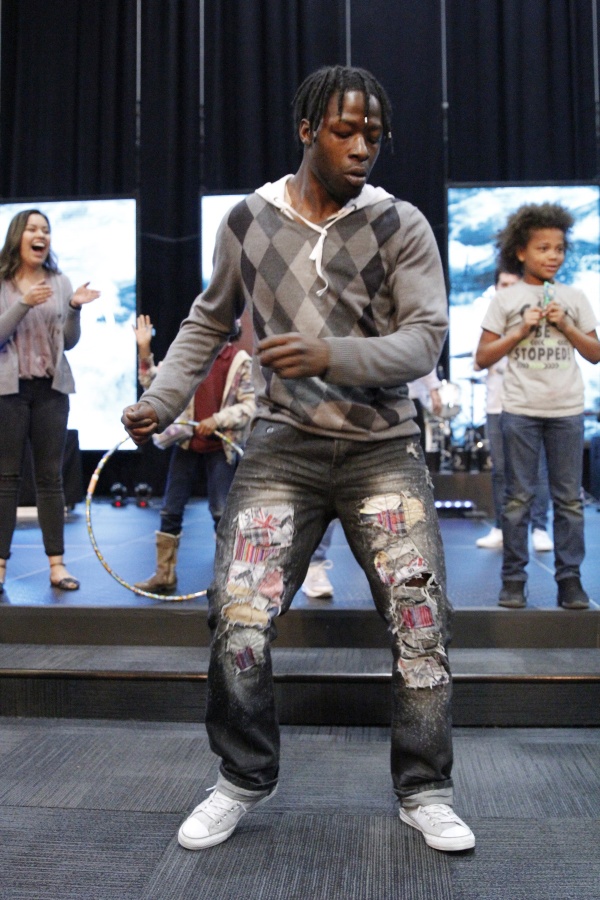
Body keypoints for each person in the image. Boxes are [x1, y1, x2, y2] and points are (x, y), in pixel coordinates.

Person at [122, 65, 475, 853]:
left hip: (383, 447)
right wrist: (163, 399)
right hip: (282, 447)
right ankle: (242, 776)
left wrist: (329, 354)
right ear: (307, 129)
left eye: (374, 135)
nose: (362, 148)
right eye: (345, 132)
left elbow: (425, 339)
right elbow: (208, 320)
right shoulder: (248, 220)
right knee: (238, 618)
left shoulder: (401, 224)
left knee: (419, 621)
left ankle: (425, 788)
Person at [475, 203, 600, 609]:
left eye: (559, 248)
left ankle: (570, 581)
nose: (553, 256)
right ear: (520, 252)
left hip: (566, 410)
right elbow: (482, 357)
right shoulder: (506, 299)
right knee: (517, 499)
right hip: (520, 410)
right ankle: (513, 580)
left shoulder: (575, 297)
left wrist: (566, 325)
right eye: (543, 248)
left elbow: (595, 353)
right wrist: (520, 330)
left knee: (569, 500)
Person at [0, 209, 99, 594]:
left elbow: (69, 342)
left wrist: (74, 309)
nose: (41, 235)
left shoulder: (60, 282)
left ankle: (57, 565)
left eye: (46, 230)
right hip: (9, 393)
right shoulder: (3, 282)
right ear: (18, 236)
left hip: (52, 391)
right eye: (33, 229)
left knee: (50, 478)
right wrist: (23, 302)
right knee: (6, 479)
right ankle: (0, 565)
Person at [133, 314, 255, 594]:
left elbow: (250, 406)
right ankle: (164, 575)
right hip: (187, 443)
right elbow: (153, 385)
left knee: (222, 512)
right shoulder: (187, 357)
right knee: (170, 508)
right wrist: (144, 349)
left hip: (220, 447)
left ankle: (229, 577)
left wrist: (218, 419)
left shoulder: (239, 361)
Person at [302, 368, 442, 602]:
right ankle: (315, 564)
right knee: (328, 487)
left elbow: (418, 349)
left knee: (397, 504)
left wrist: (433, 387)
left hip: (396, 406)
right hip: (334, 402)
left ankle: (394, 574)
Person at [474, 269, 554, 552]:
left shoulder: (537, 318)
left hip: (531, 403)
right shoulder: (489, 320)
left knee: (538, 469)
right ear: (495, 287)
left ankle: (540, 528)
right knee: (500, 470)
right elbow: (478, 361)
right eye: (502, 284)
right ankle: (501, 527)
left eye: (512, 284)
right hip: (497, 404)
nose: (506, 288)